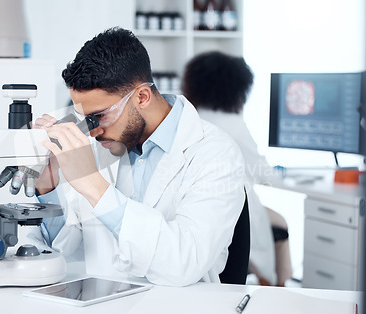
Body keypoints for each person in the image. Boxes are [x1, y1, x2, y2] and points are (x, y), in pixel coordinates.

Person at [29, 27, 247, 286]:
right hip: (103, 313)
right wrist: (48, 184)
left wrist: (94, 186)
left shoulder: (215, 153)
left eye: (99, 116)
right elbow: (67, 248)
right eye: (85, 118)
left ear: (142, 96)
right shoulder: (103, 143)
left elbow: (183, 263)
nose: (93, 130)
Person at [181, 51, 293, 286]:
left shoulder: (188, 117)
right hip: (233, 206)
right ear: (237, 89)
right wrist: (287, 176)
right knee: (280, 221)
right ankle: (276, 286)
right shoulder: (232, 124)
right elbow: (263, 174)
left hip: (191, 204)